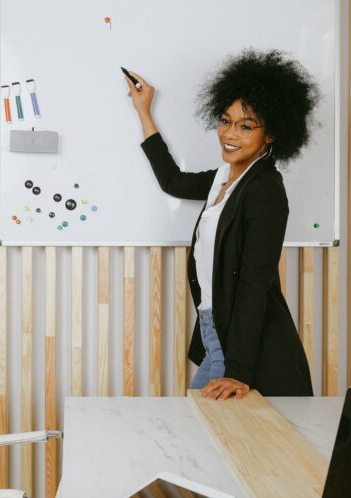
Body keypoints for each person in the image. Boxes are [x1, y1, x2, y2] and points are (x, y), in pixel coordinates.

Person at [126, 49, 320, 399]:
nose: (230, 134)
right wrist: (144, 111)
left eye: (246, 126)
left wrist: (238, 371)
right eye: (226, 121)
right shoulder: (223, 178)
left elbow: (254, 281)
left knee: (198, 431)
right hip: (214, 330)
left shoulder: (264, 191)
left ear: (271, 134)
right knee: (202, 432)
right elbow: (172, 181)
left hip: (239, 342)